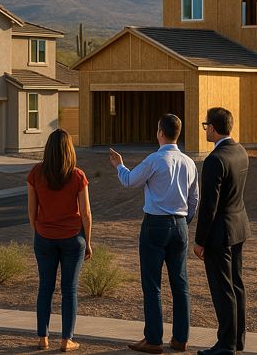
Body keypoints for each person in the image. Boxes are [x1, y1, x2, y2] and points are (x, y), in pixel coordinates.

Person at [109, 114, 199, 354]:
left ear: (160, 132)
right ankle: (181, 338)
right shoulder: (189, 163)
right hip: (180, 225)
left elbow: (129, 181)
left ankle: (154, 339)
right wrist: (184, 221)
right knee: (180, 283)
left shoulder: (155, 160)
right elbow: (194, 199)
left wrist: (119, 165)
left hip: (155, 224)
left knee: (152, 284)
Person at [27, 128, 93, 352]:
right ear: (69, 150)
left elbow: (31, 209)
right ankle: (67, 340)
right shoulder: (77, 175)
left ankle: (42, 337)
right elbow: (86, 214)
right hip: (72, 238)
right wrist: (89, 241)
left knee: (45, 287)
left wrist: (38, 230)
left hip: (44, 237)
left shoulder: (36, 173)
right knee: (69, 290)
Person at [194, 107, 251, 355]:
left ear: (213, 128)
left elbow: (209, 206)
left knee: (222, 288)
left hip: (219, 234)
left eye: (206, 125)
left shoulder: (214, 160)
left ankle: (225, 344)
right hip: (239, 227)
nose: (205, 129)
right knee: (236, 285)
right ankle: (238, 339)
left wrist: (199, 240)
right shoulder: (240, 152)